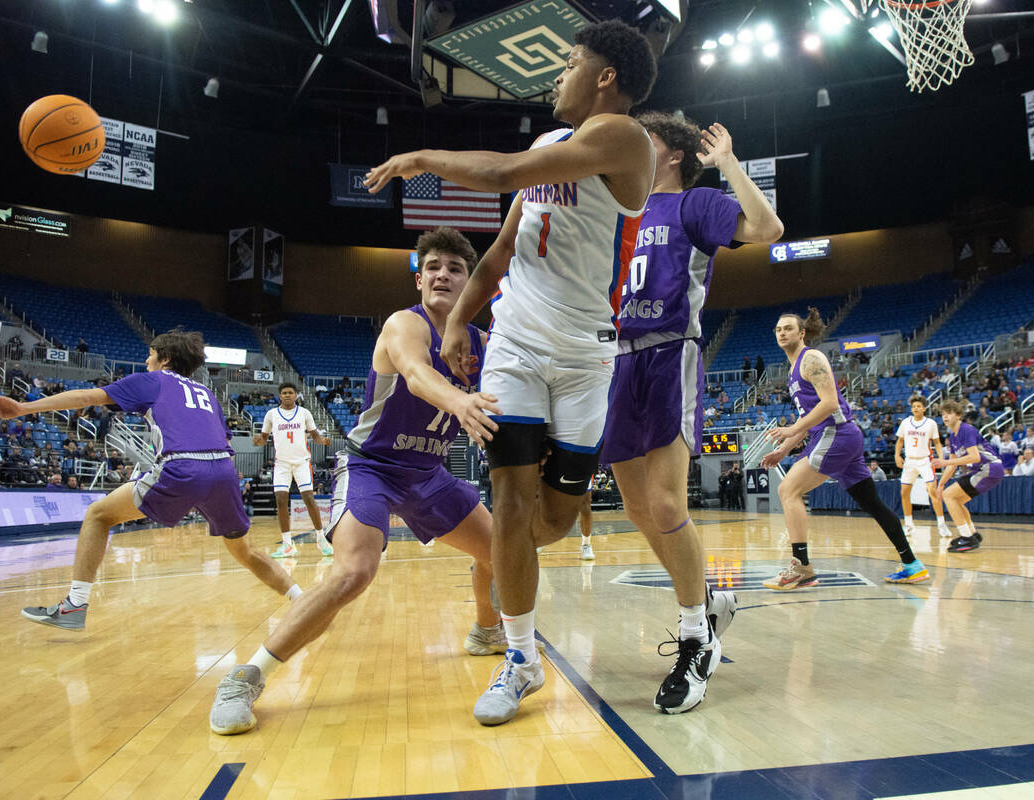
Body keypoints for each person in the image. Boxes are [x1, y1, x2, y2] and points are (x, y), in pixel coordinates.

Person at [366, 21, 658, 726]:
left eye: (570, 63)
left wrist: (421, 156)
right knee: (510, 499)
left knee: (549, 523)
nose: (558, 76)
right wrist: (463, 320)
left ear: (606, 77)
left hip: (587, 358)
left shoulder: (625, 138)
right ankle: (521, 657)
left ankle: (509, 573)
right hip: (518, 350)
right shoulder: (546, 148)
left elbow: (495, 175)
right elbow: (499, 253)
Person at [208, 227, 506, 736]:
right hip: (372, 468)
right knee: (354, 574)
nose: (442, 274)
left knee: (502, 550)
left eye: (455, 268)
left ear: (471, 283)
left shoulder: (484, 343)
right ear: (419, 279)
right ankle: (246, 676)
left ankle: (487, 629)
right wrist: (460, 401)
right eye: (432, 265)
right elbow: (415, 374)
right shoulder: (403, 325)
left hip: (428, 475)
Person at [596, 115, 782, 712]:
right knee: (633, 506)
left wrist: (728, 162)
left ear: (672, 154)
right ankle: (704, 598)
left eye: (644, 142)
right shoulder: (621, 214)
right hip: (616, 362)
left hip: (669, 352)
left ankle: (696, 636)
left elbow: (769, 227)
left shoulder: (695, 202)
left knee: (667, 503)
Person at [0, 330, 299, 632]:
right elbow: (219, 439)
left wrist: (24, 407)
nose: (146, 361)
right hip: (224, 471)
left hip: (182, 468)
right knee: (245, 551)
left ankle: (74, 606)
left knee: (98, 515)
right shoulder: (207, 394)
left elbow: (86, 398)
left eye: (149, 355)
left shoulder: (152, 380)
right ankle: (302, 600)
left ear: (164, 359)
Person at [760, 308, 928, 588]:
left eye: (788, 328)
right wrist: (785, 449)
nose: (782, 333)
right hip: (833, 437)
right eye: (778, 329)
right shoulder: (793, 370)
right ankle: (912, 564)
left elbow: (830, 404)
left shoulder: (810, 358)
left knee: (787, 490)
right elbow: (807, 418)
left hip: (835, 434)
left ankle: (801, 568)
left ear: (802, 333)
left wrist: (790, 431)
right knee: (872, 503)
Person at [256, 382, 333, 557]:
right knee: (281, 500)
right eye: (284, 393)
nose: (287, 395)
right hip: (282, 463)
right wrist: (258, 441)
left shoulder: (305, 413)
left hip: (301, 462)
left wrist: (323, 440)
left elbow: (315, 436)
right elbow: (263, 438)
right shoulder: (271, 414)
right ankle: (287, 543)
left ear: (296, 395)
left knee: (308, 498)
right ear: (279, 395)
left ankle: (321, 538)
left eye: (290, 392)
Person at [931, 399, 1004, 553]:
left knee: (949, 496)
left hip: (989, 468)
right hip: (981, 470)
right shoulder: (953, 436)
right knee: (955, 499)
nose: (945, 417)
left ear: (958, 415)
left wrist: (943, 462)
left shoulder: (966, 430)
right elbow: (952, 464)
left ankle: (967, 538)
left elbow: (974, 457)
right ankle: (972, 534)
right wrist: (941, 484)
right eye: (943, 414)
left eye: (949, 413)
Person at [894, 394, 950, 538]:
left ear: (924, 408)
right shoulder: (906, 422)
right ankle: (908, 524)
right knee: (904, 493)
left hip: (925, 460)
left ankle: (942, 524)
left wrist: (941, 458)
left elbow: (937, 443)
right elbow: (900, 442)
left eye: (919, 406)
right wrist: (897, 455)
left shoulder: (930, 423)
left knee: (933, 491)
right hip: (909, 461)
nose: (916, 408)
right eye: (913, 406)